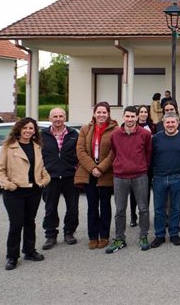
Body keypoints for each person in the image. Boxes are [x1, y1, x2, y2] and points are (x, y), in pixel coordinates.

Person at [0, 117, 51, 271]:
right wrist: (8, 185)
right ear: (19, 129)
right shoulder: (8, 147)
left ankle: (29, 251)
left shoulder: (37, 147)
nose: (28, 131)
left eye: (31, 128)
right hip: (14, 192)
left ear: (35, 131)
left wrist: (45, 179)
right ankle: (12, 257)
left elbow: (41, 168)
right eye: (25, 128)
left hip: (34, 191)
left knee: (30, 222)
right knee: (16, 224)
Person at [106, 106, 153, 253]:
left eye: (133, 116)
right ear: (123, 116)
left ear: (137, 117)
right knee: (120, 210)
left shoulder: (145, 134)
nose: (130, 119)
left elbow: (148, 153)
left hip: (140, 175)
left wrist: (141, 166)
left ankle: (143, 236)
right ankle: (120, 238)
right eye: (128, 116)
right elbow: (114, 151)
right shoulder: (115, 135)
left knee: (143, 208)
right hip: (120, 176)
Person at [75, 101, 118, 250]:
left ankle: (104, 235)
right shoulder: (85, 129)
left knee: (105, 205)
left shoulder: (115, 130)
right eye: (98, 112)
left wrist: (101, 168)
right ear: (94, 113)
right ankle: (93, 236)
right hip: (89, 173)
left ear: (108, 114)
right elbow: (80, 150)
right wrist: (93, 168)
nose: (101, 115)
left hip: (106, 172)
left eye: (104, 112)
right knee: (92, 206)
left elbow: (115, 152)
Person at [150, 112, 180, 248]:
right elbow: (151, 156)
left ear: (177, 123)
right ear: (163, 124)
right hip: (159, 177)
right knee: (159, 209)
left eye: (172, 122)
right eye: (167, 122)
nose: (170, 125)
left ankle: (174, 233)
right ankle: (160, 235)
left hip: (177, 177)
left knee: (176, 207)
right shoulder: (156, 138)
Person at [40, 107, 79, 250]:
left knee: (73, 208)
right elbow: (38, 157)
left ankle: (69, 232)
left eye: (61, 116)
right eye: (55, 116)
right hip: (51, 177)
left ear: (65, 118)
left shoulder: (73, 134)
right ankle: (50, 235)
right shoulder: (42, 135)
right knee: (50, 208)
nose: (58, 119)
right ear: (50, 119)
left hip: (70, 176)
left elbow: (79, 153)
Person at [130, 104, 154, 227]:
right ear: (138, 114)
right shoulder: (132, 126)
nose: (144, 114)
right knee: (133, 192)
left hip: (147, 164)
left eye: (146, 112)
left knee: (146, 192)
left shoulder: (153, 127)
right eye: (141, 112)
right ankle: (133, 216)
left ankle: (144, 215)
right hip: (134, 164)